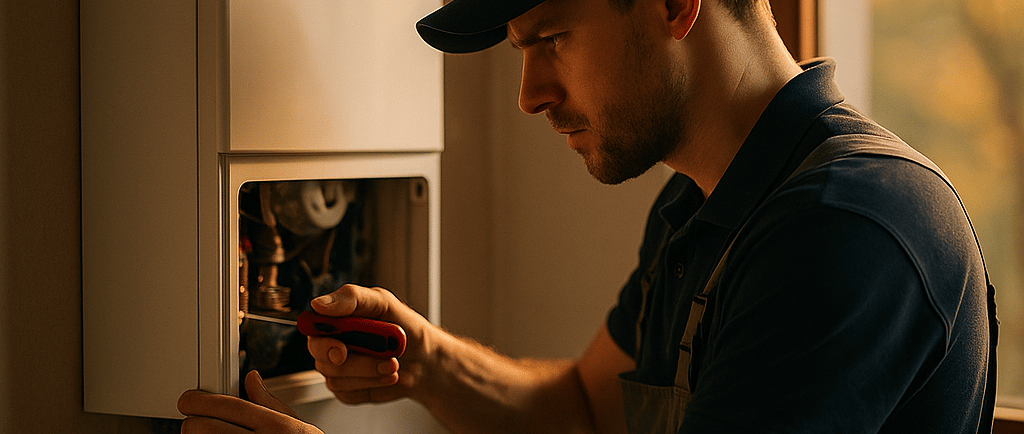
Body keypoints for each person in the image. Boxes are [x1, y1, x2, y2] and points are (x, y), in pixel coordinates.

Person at [178, 0, 999, 432]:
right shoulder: (700, 203)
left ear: (675, 1)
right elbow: (582, 414)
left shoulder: (849, 228)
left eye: (553, 39)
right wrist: (425, 359)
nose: (530, 93)